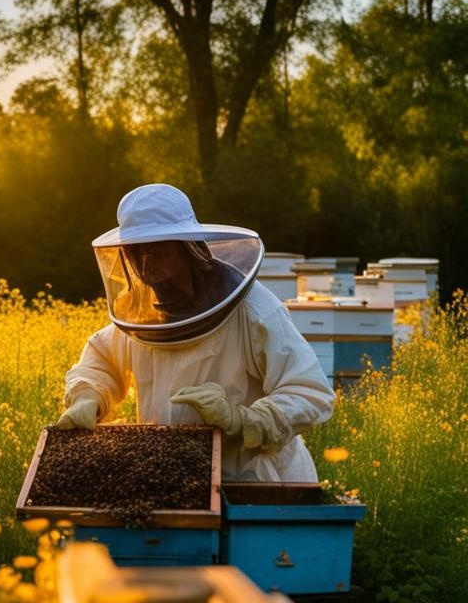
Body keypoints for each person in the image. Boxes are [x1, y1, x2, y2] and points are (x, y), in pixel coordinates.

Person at [55, 183, 335, 482]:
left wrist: (244, 419)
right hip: (174, 479)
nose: (149, 269)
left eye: (160, 253)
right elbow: (102, 357)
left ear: (189, 249)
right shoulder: (141, 316)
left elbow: (310, 392)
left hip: (257, 481)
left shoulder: (253, 310)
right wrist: (88, 394)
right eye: (138, 255)